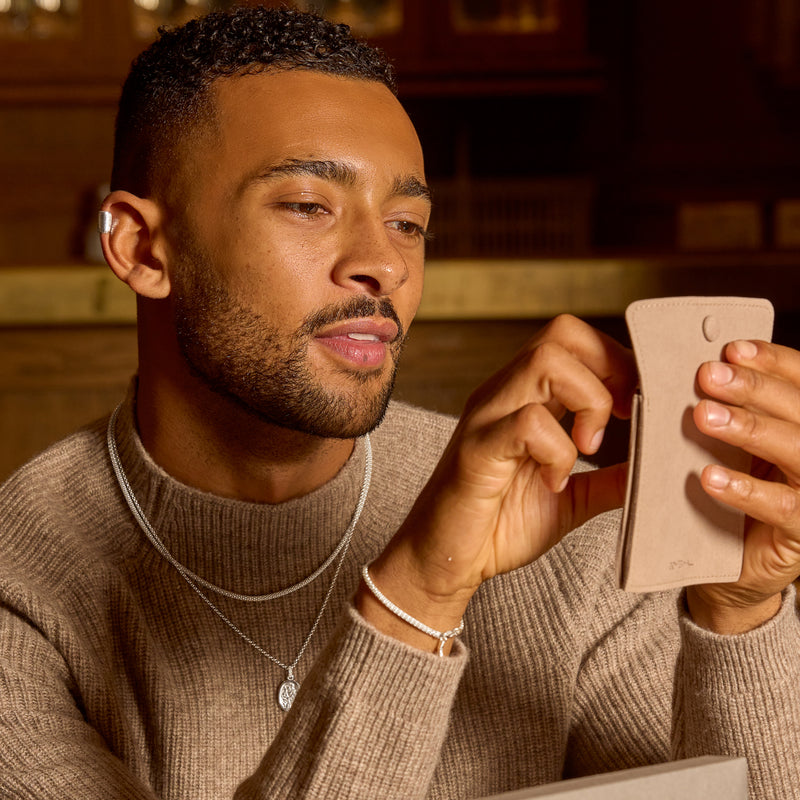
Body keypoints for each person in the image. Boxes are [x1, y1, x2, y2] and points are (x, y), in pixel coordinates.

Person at [1, 6, 798, 799]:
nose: (384, 264)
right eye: (308, 205)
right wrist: (420, 591)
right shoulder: (20, 587)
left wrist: (741, 614)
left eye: (408, 222)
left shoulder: (570, 530)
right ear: (141, 247)